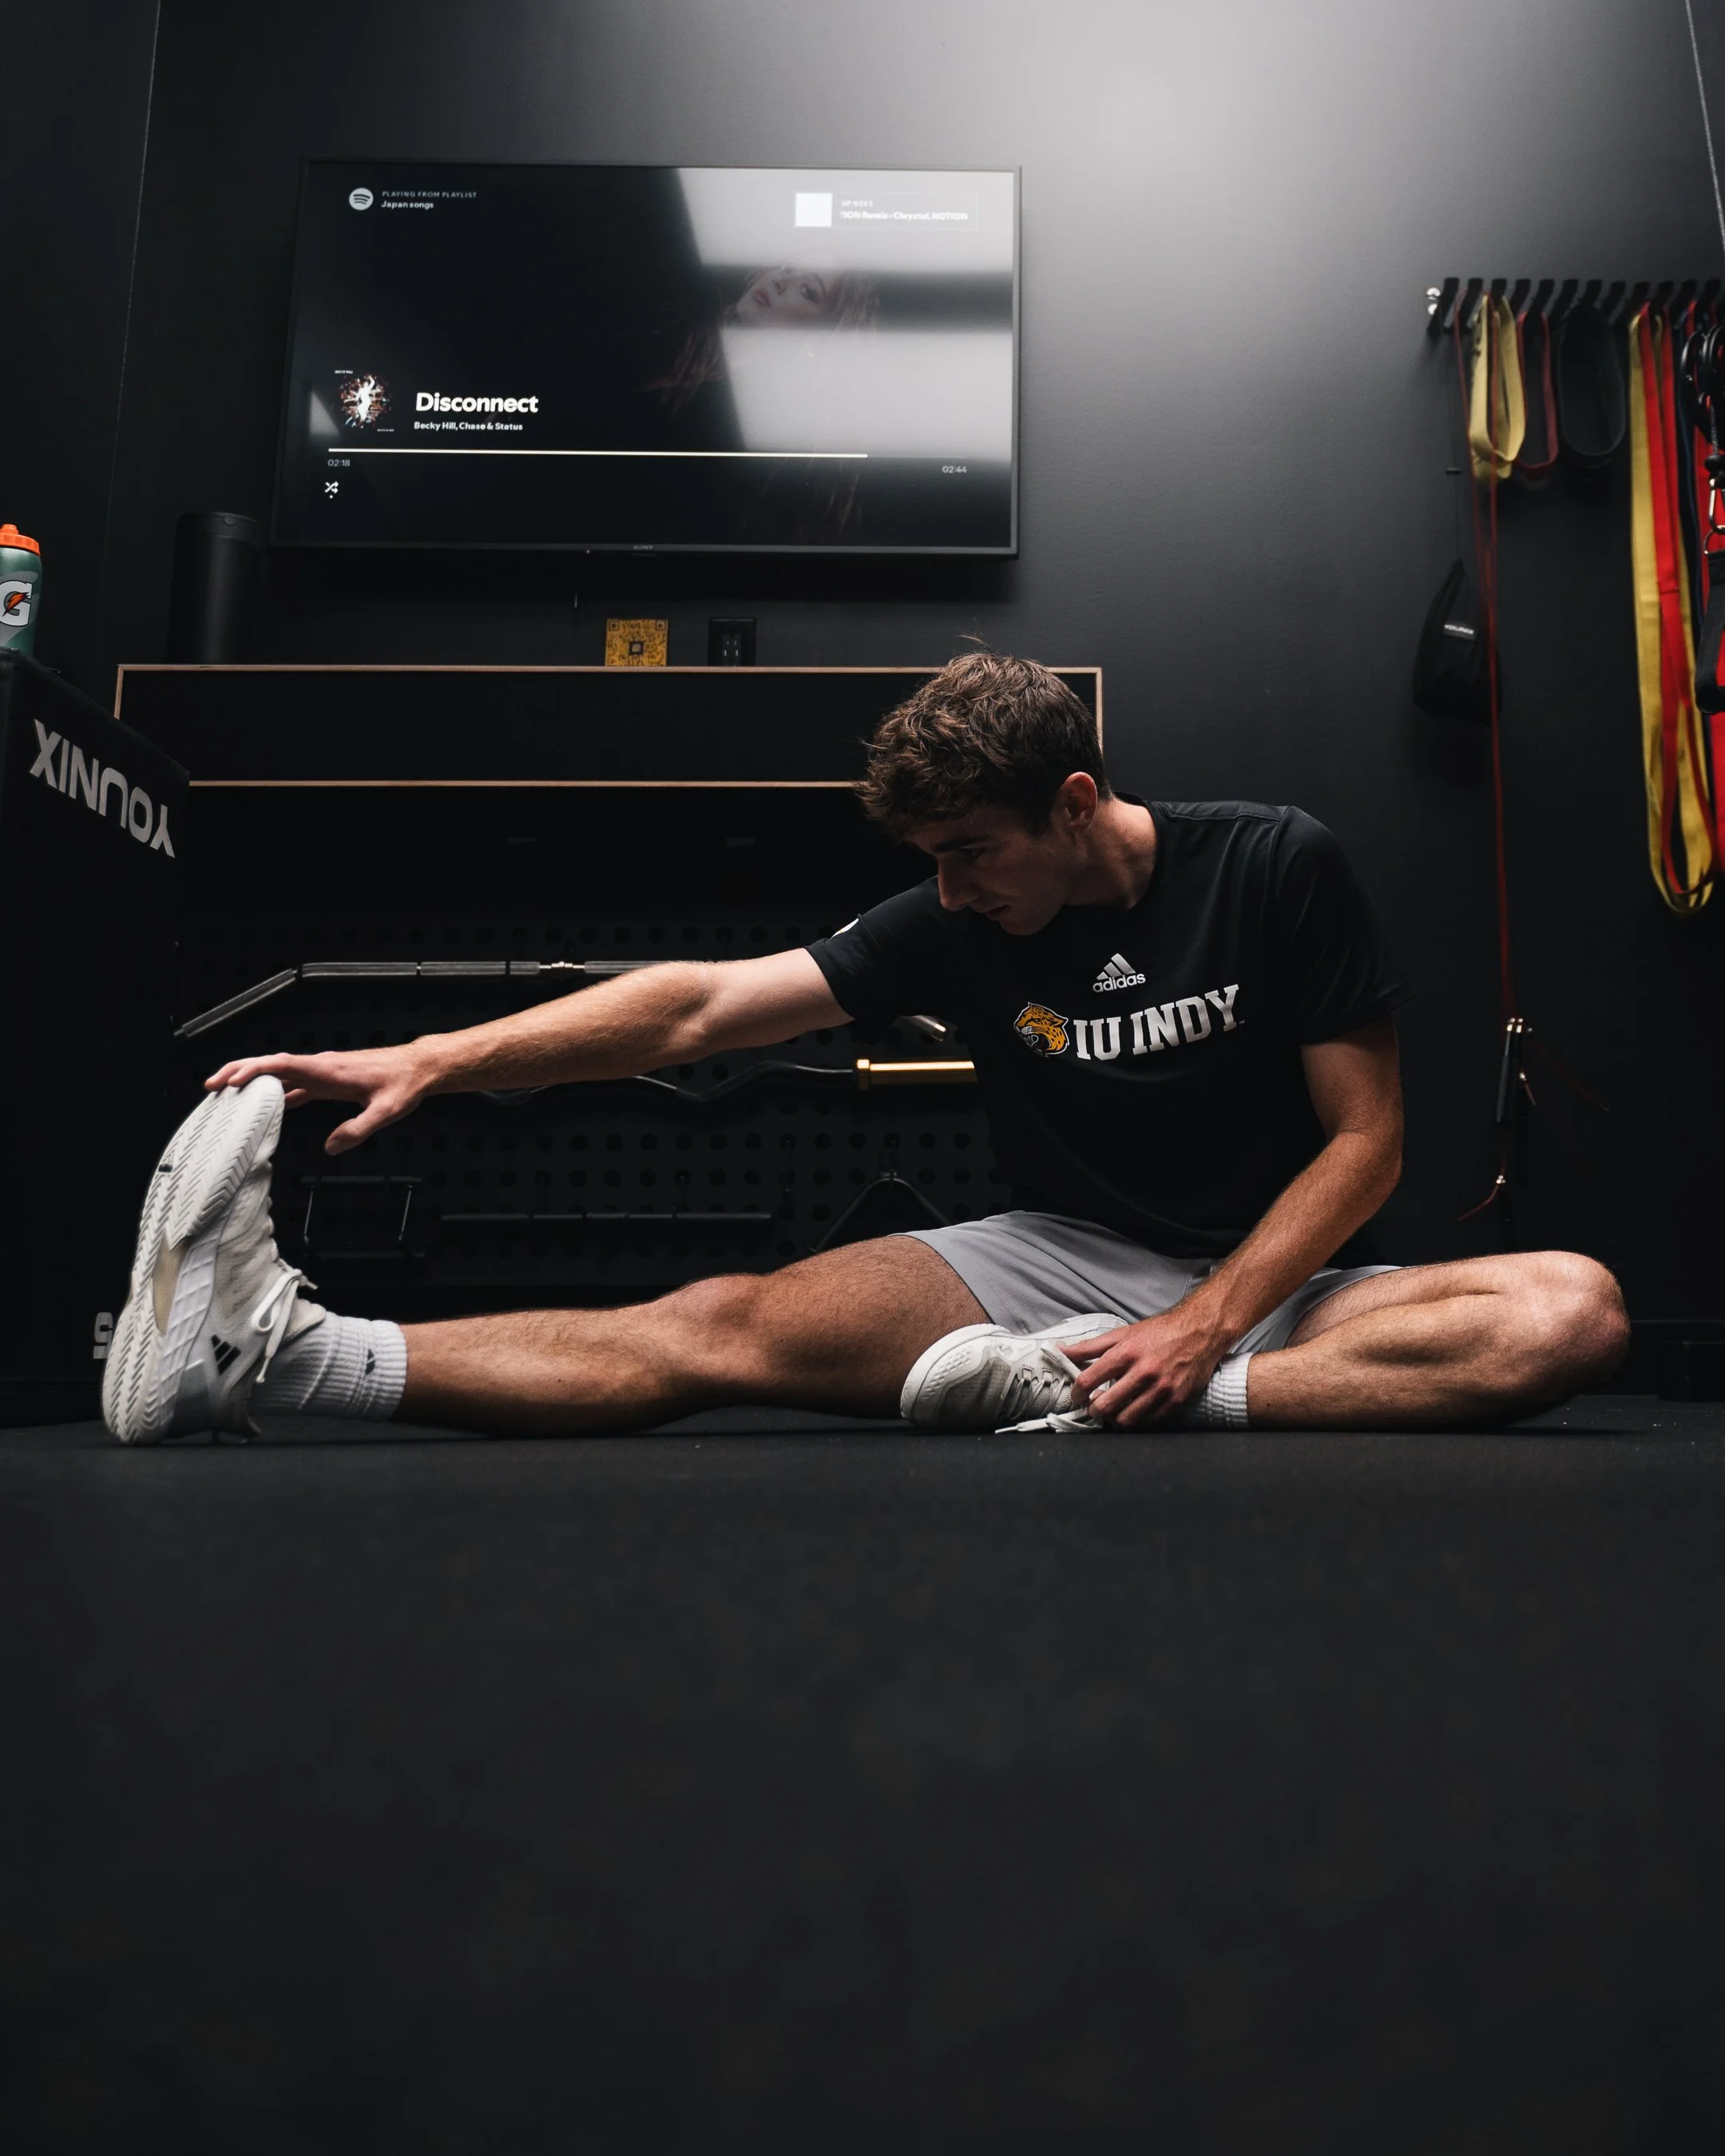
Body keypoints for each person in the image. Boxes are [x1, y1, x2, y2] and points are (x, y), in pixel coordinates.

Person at [101, 653, 1628, 1446]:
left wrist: (1210, 1331)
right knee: (714, 1324)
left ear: (1077, 803)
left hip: (1286, 1277)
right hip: (1054, 1261)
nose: (954, 891)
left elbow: (1368, 1146)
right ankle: (287, 1356)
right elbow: (698, 1007)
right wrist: (439, 1054)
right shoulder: (955, 919)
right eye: (935, 864)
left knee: (1570, 1315)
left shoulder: (1275, 867)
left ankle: (1087, 1402)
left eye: (975, 854)